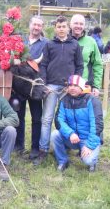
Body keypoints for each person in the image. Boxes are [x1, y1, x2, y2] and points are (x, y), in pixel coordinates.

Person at [34, 16, 83, 165]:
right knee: (47, 119)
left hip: (68, 88)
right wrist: (44, 84)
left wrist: (73, 84)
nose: (61, 29)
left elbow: (79, 66)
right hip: (51, 87)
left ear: (68, 28)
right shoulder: (49, 44)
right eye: (59, 26)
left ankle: (63, 147)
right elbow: (43, 65)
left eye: (64, 26)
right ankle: (43, 150)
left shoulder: (74, 45)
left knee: (67, 118)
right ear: (55, 28)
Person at [51, 75, 103, 172]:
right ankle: (63, 161)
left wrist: (89, 146)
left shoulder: (92, 100)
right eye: (70, 85)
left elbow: (97, 125)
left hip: (87, 138)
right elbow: (59, 120)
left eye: (75, 85)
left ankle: (92, 160)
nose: (72, 88)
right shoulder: (64, 100)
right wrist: (70, 133)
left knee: (88, 161)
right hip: (73, 138)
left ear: (81, 87)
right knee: (55, 135)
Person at [14, 15, 48, 159]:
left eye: (39, 25)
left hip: (35, 85)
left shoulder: (46, 43)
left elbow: (45, 65)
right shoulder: (20, 40)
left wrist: (42, 83)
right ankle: (18, 145)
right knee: (18, 116)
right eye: (34, 24)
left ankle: (35, 148)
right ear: (30, 25)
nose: (36, 27)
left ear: (42, 28)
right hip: (19, 85)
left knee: (37, 118)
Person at [70, 14, 103, 97]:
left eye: (81, 24)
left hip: (84, 85)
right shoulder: (65, 40)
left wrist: (96, 86)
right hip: (67, 85)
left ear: (84, 26)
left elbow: (97, 64)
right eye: (76, 23)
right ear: (70, 25)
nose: (78, 26)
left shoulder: (91, 42)